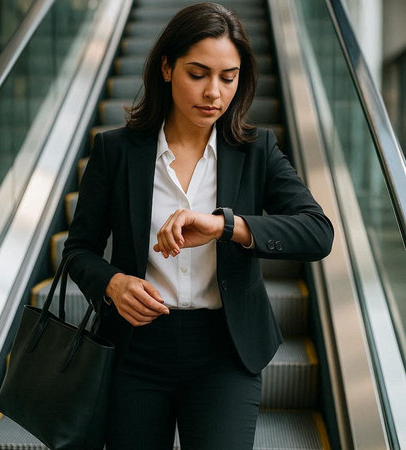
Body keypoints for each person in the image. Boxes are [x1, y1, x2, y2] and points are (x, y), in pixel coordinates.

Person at [63, 2, 334, 449]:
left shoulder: (257, 150)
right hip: (135, 350)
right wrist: (112, 283)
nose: (214, 92)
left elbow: (317, 232)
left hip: (225, 351)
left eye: (228, 77)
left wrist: (226, 226)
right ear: (167, 68)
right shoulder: (115, 152)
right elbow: (78, 251)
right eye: (198, 73)